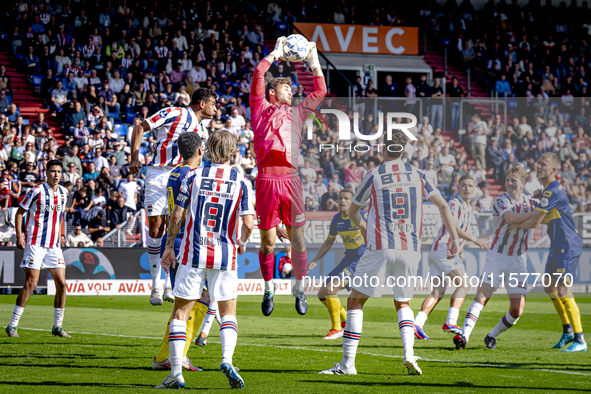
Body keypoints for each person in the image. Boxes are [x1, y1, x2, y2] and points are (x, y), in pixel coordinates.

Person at [319, 130, 460, 376]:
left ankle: (347, 365)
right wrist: (455, 239)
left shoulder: (373, 175)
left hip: (381, 247)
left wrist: (364, 228)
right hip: (410, 249)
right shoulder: (419, 175)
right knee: (403, 302)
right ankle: (409, 355)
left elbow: (353, 211)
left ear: (383, 149)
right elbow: (443, 205)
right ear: (403, 151)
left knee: (355, 301)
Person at [158, 130, 254, 389]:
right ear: (233, 152)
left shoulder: (193, 175)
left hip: (192, 252)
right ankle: (227, 359)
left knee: (180, 311)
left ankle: (176, 372)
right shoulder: (241, 180)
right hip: (225, 254)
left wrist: (169, 247)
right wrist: (242, 241)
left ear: (207, 149)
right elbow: (248, 222)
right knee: (227, 311)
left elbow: (177, 215)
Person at [250, 36, 326, 316]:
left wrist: (314, 62)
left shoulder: (298, 112)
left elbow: (320, 92)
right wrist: (275, 53)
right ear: (272, 92)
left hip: (291, 180)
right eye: (286, 87)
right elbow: (259, 73)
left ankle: (299, 288)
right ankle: (268, 288)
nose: (291, 90)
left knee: (300, 242)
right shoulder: (259, 109)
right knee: (268, 243)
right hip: (267, 180)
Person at [129, 88, 217, 306]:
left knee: (175, 228)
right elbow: (140, 126)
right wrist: (134, 156)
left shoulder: (203, 132)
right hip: (159, 174)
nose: (216, 108)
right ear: (201, 104)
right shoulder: (174, 112)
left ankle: (170, 283)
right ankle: (156, 285)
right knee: (156, 227)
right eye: (213, 104)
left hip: (183, 178)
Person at [508, 153, 587, 352]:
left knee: (563, 290)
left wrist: (513, 221)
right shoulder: (546, 191)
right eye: (538, 163)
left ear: (554, 170)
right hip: (557, 245)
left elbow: (535, 221)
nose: (538, 167)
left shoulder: (552, 191)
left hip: (567, 246)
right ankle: (567, 331)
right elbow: (544, 219)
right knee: (549, 287)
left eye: (543, 164)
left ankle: (580, 340)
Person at [454, 167, 536, 351]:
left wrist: (540, 209)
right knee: (481, 298)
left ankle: (492, 336)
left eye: (514, 180)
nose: (509, 183)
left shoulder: (530, 203)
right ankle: (464, 336)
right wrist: (537, 213)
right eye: (507, 180)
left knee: (517, 311)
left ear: (523, 184)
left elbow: (540, 220)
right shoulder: (500, 200)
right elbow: (512, 218)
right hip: (497, 257)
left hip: (518, 261)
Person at [152, 132, 210, 372]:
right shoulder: (193, 176)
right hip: (185, 241)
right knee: (186, 303)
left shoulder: (174, 172)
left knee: (195, 299)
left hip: (175, 238)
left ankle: (169, 356)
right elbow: (183, 211)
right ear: (199, 151)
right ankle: (168, 357)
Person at [413, 176, 490, 340]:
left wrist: (460, 251)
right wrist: (475, 239)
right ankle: (451, 321)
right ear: (458, 186)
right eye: (464, 185)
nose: (467, 188)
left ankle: (417, 324)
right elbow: (452, 224)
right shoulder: (455, 203)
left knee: (437, 292)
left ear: (475, 188)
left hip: (439, 250)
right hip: (443, 248)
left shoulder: (469, 208)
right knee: (463, 283)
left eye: (470, 185)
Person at [6, 160, 70, 338]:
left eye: (59, 171)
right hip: (35, 244)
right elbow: (20, 212)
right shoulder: (37, 191)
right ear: (46, 172)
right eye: (53, 171)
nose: (56, 174)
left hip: (54, 246)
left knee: (62, 284)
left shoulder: (64, 192)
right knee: (31, 284)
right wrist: (19, 235)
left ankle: (58, 326)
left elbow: (59, 218)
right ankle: (13, 325)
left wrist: (61, 236)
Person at [307, 189, 367, 339]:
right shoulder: (336, 219)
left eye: (346, 198)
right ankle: (346, 320)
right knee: (322, 294)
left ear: (353, 202)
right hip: (348, 259)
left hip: (359, 261)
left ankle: (336, 328)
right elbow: (328, 242)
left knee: (330, 288)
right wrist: (315, 260)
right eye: (340, 198)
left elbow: (374, 235)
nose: (342, 201)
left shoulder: (361, 217)